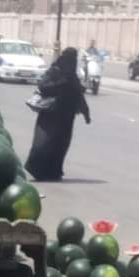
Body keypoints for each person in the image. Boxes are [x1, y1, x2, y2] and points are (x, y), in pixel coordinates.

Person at [24, 47, 91, 183]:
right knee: (43, 143)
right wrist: (61, 83)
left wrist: (86, 113)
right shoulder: (54, 71)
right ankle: (37, 170)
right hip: (50, 115)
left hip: (66, 117)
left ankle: (54, 172)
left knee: (60, 146)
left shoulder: (72, 76)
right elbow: (43, 86)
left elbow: (79, 95)